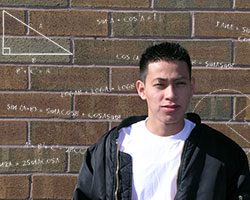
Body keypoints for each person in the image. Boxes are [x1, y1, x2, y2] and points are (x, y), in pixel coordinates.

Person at [73, 42, 250, 200]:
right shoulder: (108, 150)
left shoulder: (223, 154)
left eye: (179, 84)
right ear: (142, 90)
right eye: (160, 85)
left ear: (191, 86)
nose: (171, 95)